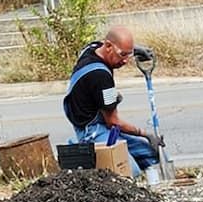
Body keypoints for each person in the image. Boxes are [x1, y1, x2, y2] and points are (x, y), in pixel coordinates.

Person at [63, 24, 159, 175]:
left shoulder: (92, 48)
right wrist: (146, 134)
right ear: (108, 46)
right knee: (128, 171)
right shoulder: (102, 79)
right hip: (92, 130)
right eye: (123, 55)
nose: (126, 60)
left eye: (129, 54)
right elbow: (113, 122)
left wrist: (135, 50)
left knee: (149, 154)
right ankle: (81, 151)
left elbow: (108, 44)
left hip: (97, 114)